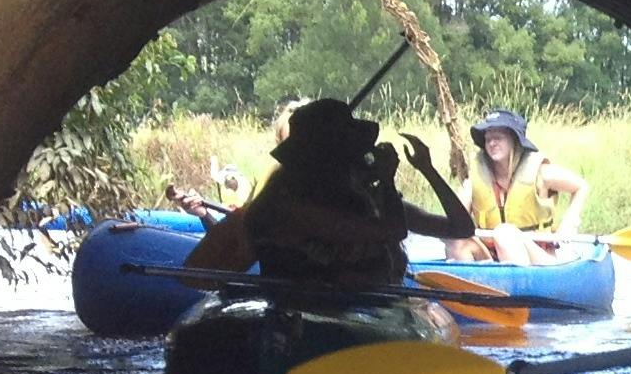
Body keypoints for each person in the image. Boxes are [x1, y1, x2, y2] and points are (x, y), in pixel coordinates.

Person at [182, 98, 474, 287]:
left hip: (367, 314)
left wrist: (427, 169)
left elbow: (461, 228)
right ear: (331, 156)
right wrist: (386, 180)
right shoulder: (289, 209)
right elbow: (392, 231)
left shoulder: (365, 199)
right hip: (311, 322)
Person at [451, 109, 590, 264]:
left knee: (504, 233)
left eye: (498, 137)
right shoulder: (474, 181)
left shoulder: (541, 173)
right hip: (493, 257)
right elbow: (454, 221)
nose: (491, 143)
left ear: (514, 141)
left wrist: (568, 225)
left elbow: (581, 187)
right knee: (457, 240)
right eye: (488, 138)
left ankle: (519, 287)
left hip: (538, 259)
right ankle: (470, 284)